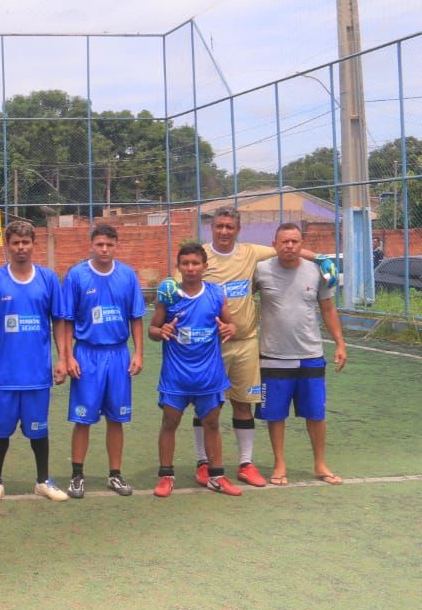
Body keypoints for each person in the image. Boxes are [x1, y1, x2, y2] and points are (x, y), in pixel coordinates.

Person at [178, 207, 335, 489]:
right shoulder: (200, 256)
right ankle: (203, 463)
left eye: (229, 227)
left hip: (246, 342)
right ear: (211, 229)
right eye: (219, 226)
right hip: (208, 346)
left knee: (243, 404)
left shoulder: (252, 253)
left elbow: (287, 248)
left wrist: (322, 259)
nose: (224, 231)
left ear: (238, 230)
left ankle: (245, 464)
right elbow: (175, 285)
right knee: (205, 407)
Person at [0, 220, 69, 504]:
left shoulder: (48, 279)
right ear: (7, 245)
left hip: (37, 373)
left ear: (34, 244)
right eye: (15, 243)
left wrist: (63, 358)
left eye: (25, 243)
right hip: (5, 374)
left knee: (39, 431)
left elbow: (60, 321)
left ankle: (43, 481)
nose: (20, 248)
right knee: (0, 431)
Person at [256, 222, 347, 486]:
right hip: (273, 355)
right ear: (275, 244)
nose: (289, 246)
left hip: (310, 354)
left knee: (316, 414)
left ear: (302, 244)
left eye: (295, 241)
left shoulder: (317, 272)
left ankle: (320, 464)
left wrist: (340, 343)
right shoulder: (261, 271)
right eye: (284, 241)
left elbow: (328, 310)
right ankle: (279, 464)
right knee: (275, 414)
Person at [58, 224, 145, 499]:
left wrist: (139, 352)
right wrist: (68, 355)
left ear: (116, 245)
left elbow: (136, 318)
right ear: (91, 245)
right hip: (87, 354)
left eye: (110, 244)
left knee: (116, 419)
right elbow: (66, 321)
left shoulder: (127, 275)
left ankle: (115, 475)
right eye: (100, 245)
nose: (105, 249)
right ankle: (77, 476)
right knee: (83, 420)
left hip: (118, 355)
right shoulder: (77, 275)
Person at [150, 243, 240, 497]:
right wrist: (161, 331)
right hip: (176, 376)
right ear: (179, 267)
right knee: (170, 422)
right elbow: (153, 330)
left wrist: (230, 329)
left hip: (209, 375)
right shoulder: (169, 295)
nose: (190, 268)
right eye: (185, 263)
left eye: (195, 263)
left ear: (205, 267)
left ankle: (217, 476)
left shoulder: (215, 293)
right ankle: (166, 475)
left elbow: (230, 324)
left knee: (211, 424)